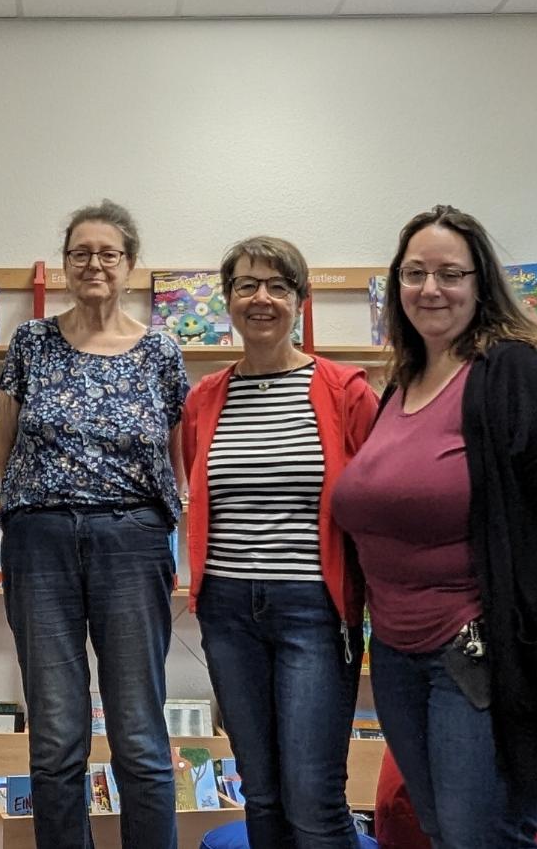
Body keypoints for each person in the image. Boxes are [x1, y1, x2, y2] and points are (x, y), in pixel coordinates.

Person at [330, 205, 537, 849]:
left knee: (480, 836)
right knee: (446, 832)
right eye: (414, 273)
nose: (430, 289)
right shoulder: (402, 384)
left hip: (485, 654)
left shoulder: (519, 375)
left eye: (449, 273)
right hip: (400, 657)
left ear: (480, 283)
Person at [0, 200, 190, 849]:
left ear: (130, 265)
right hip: (40, 542)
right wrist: (34, 506)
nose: (94, 264)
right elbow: (7, 443)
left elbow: (177, 457)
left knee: (138, 733)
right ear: (65, 264)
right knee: (54, 736)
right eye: (81, 253)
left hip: (132, 541)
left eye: (108, 253)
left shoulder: (161, 350)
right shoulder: (32, 342)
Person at [179, 237, 379, 849]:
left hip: (313, 610)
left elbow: (376, 500)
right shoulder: (204, 398)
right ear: (229, 301)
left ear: (300, 299)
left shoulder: (346, 391)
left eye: (277, 287)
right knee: (261, 791)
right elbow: (200, 492)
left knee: (314, 794)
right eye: (246, 286)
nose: (261, 298)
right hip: (228, 609)